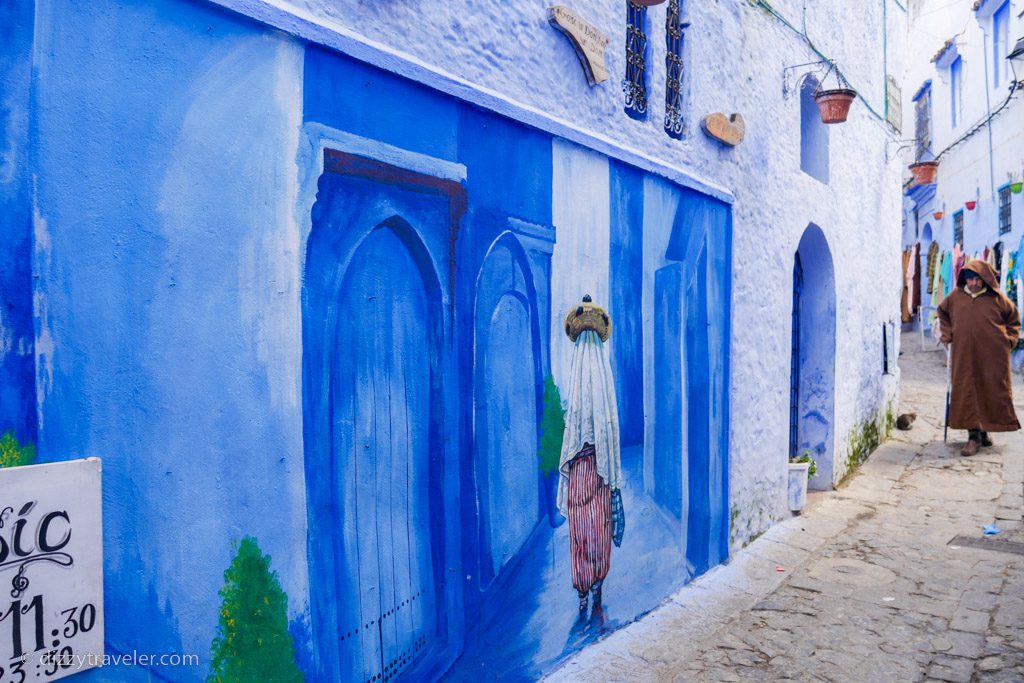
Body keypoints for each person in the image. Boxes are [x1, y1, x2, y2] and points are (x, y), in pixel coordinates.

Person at [557, 295, 623, 615]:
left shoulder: (577, 380)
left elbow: (573, 430)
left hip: (581, 466)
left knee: (582, 530)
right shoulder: (603, 379)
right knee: (598, 527)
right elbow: (607, 427)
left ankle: (584, 588)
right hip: (599, 466)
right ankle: (596, 582)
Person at [937, 258, 1021, 456]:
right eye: (969, 279)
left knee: (989, 390)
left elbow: (1013, 320)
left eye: (977, 279)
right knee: (967, 390)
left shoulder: (998, 299)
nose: (973, 283)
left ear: (985, 278)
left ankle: (983, 430)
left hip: (992, 355)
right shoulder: (955, 297)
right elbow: (942, 312)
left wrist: (1008, 340)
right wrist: (947, 334)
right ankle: (973, 436)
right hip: (963, 354)